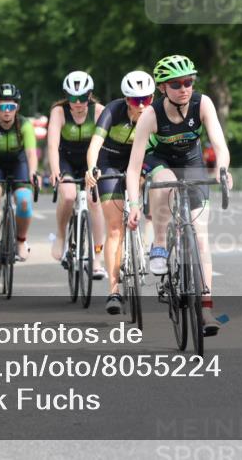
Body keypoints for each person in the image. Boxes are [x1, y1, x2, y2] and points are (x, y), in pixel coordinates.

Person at [125, 55, 232, 336]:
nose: (184, 88)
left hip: (192, 162)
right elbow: (134, 166)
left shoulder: (202, 103)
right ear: (162, 88)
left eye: (188, 82)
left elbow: (219, 144)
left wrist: (222, 170)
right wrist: (135, 204)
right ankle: (159, 243)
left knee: (200, 234)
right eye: (176, 84)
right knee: (166, 181)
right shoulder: (151, 114)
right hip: (159, 160)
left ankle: (206, 308)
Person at [85, 70, 155, 315]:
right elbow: (95, 144)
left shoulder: (155, 113)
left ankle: (152, 234)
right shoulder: (112, 111)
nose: (143, 105)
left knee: (156, 189)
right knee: (114, 227)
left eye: (147, 99)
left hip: (141, 161)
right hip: (110, 163)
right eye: (137, 101)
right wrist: (92, 168)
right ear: (127, 100)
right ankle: (114, 290)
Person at [47, 71, 106, 279]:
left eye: (83, 97)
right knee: (70, 194)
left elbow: (105, 144)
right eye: (73, 98)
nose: (78, 102)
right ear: (66, 96)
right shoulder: (59, 112)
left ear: (90, 95)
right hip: (67, 159)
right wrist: (55, 169)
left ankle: (97, 259)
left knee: (95, 201)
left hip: (91, 159)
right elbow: (53, 144)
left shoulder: (99, 111)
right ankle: (61, 236)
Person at [0, 83, 39, 266]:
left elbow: (30, 153)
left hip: (19, 163)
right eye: (2, 107)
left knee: (24, 199)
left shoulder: (25, 124)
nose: (6, 111)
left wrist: (33, 172)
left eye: (11, 107)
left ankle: (20, 241)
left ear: (17, 108)